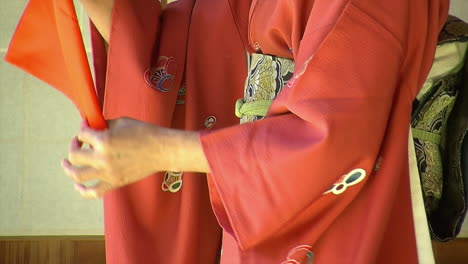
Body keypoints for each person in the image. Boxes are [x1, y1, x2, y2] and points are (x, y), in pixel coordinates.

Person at [63, 0, 450, 263]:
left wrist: (162, 152)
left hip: (341, 205)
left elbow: (334, 132)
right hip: (251, 199)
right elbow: (189, 47)